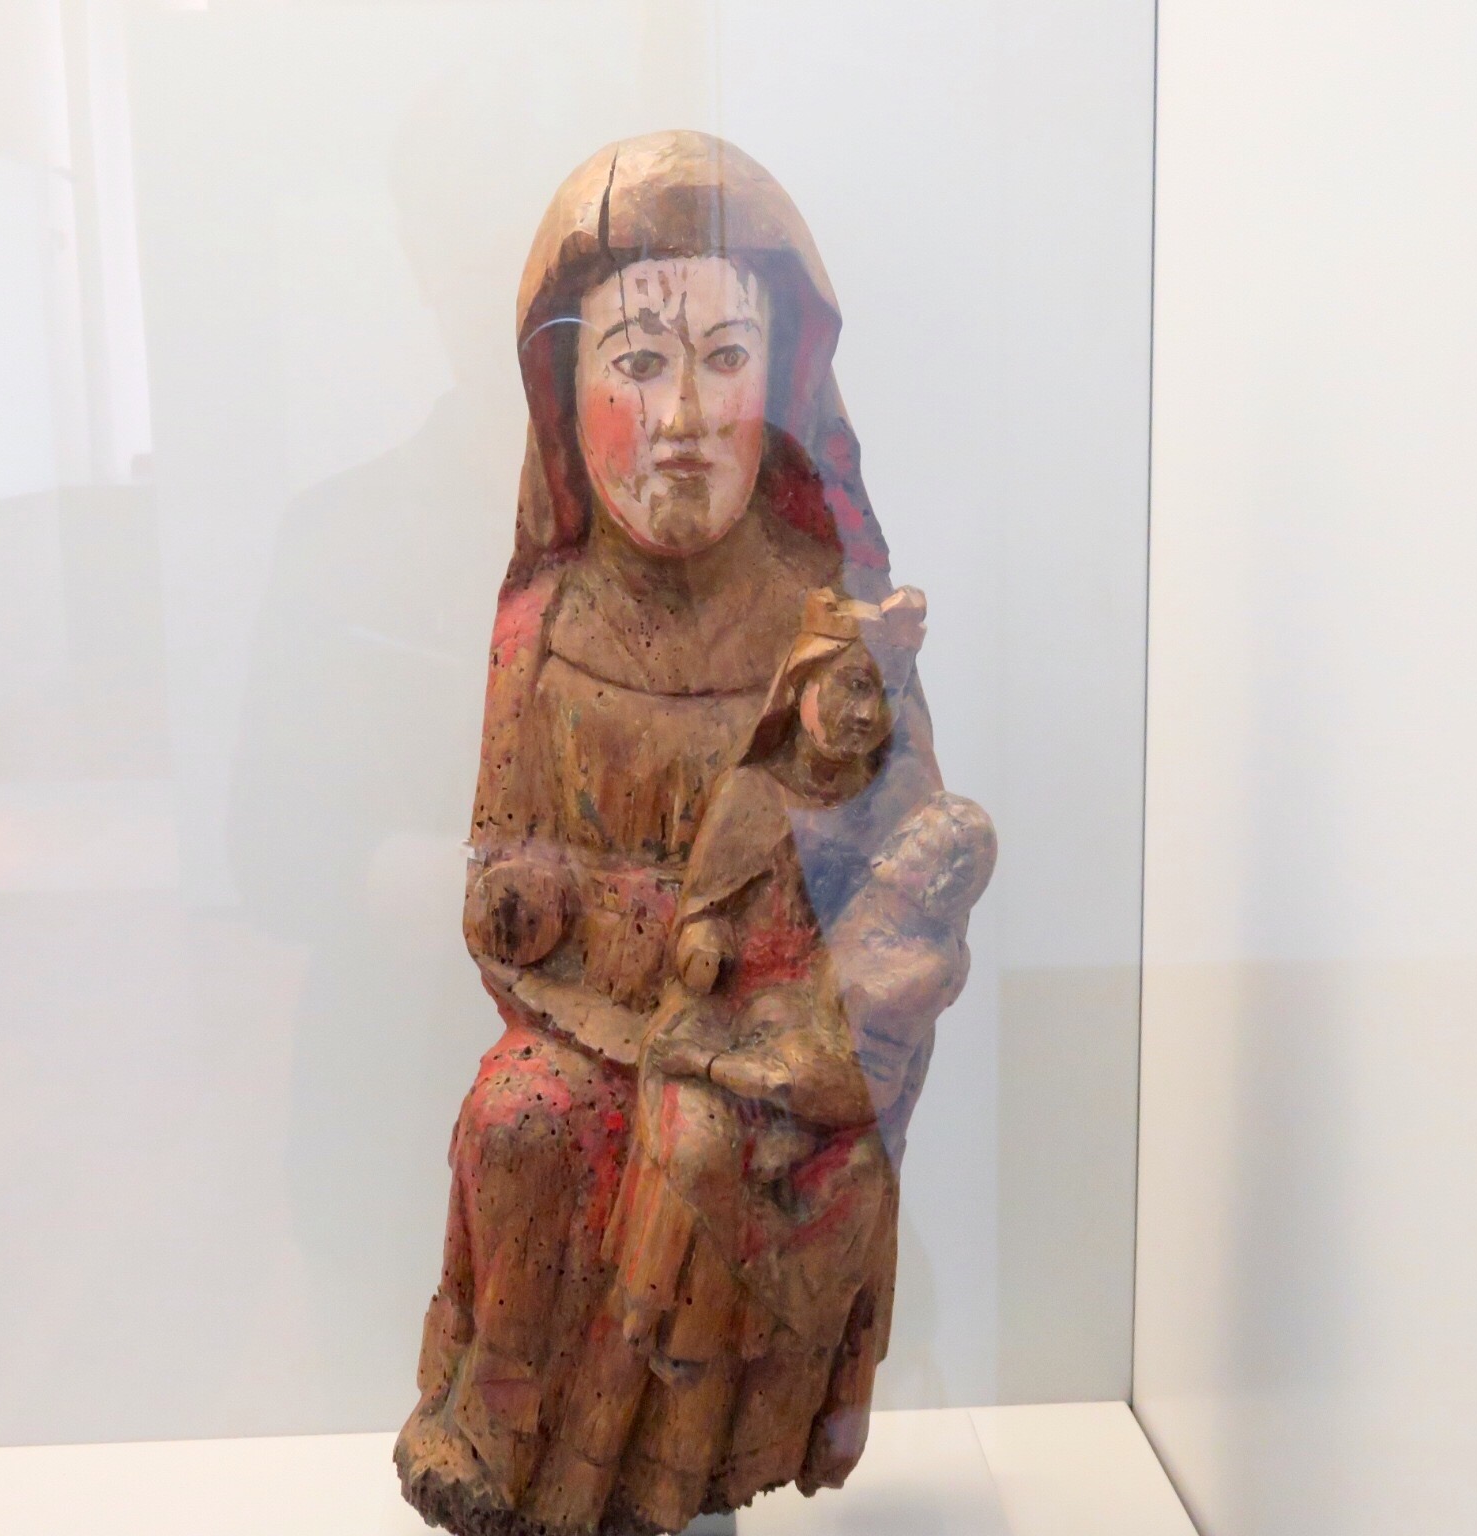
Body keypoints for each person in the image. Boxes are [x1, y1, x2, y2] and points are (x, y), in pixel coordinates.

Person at [396, 132, 981, 1536]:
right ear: (564, 388)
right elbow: (502, 883)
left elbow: (915, 870)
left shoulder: (832, 622)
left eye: (724, 358)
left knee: (710, 1151)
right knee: (518, 1124)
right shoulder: (543, 629)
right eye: (638, 361)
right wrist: (544, 911)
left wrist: (817, 987)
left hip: (768, 1040)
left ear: (783, 380)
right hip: (589, 1025)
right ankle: (503, 1431)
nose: (683, 418)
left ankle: (660, 1472)